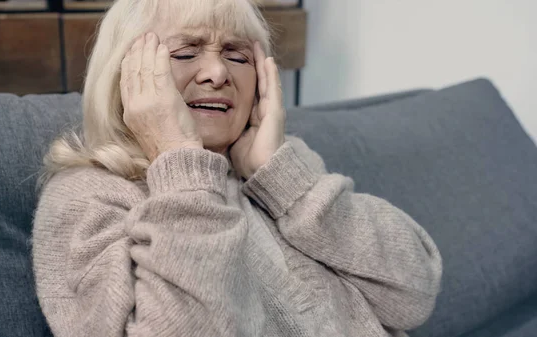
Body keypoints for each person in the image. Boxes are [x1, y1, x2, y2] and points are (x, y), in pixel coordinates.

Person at [32, 0, 443, 336]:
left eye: (237, 55)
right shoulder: (86, 196)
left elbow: (416, 293)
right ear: (127, 77)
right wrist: (180, 164)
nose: (217, 73)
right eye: (186, 52)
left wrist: (285, 182)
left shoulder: (283, 168)